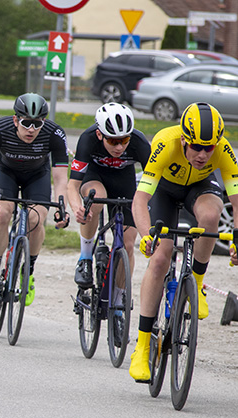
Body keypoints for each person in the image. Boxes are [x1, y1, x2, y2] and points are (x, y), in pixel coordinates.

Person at [128, 102, 238, 382]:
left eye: (209, 148)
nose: (203, 154)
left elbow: (237, 202)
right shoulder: (165, 142)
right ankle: (141, 346)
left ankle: (197, 285)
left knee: (211, 216)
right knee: (161, 258)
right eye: (196, 147)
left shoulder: (223, 149)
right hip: (164, 191)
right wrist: (146, 235)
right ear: (183, 140)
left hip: (200, 188)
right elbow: (140, 200)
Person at [0, 93, 70, 306]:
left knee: (36, 217)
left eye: (37, 124)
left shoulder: (54, 133)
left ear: (43, 122)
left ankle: (27, 273)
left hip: (37, 175)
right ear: (15, 120)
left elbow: (59, 177)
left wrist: (61, 207)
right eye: (26, 123)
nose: (31, 129)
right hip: (6, 172)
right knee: (2, 213)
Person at [67, 103, 150, 290]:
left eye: (124, 140)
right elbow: (73, 185)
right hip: (95, 176)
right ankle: (86, 257)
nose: (120, 147)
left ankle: (119, 299)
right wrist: (77, 209)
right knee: (96, 200)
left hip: (123, 180)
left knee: (128, 245)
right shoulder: (88, 139)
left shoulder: (140, 142)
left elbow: (156, 183)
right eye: (113, 141)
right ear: (99, 135)